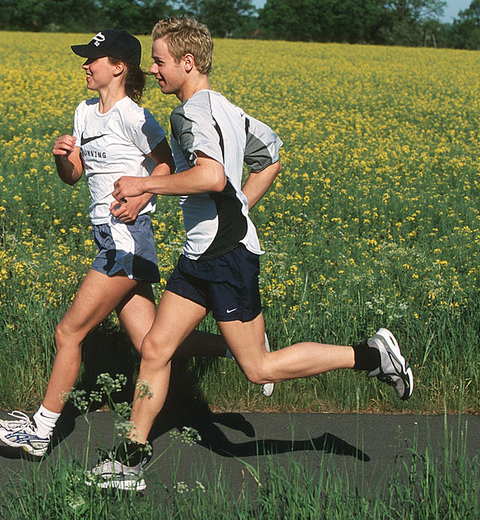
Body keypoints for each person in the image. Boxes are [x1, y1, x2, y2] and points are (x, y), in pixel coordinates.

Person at [86, 18, 414, 491]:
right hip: (203, 252)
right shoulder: (226, 108)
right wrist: (239, 205)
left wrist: (145, 184)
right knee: (156, 347)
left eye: (159, 61)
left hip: (225, 256)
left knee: (258, 366)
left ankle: (370, 355)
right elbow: (272, 154)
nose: (152, 70)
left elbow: (212, 178)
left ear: (187, 62)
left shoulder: (190, 114)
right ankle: (130, 458)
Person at [0, 30, 273, 458]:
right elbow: (76, 176)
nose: (85, 65)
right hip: (106, 235)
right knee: (151, 346)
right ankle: (243, 350)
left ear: (118, 67)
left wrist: (142, 194)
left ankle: (41, 430)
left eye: (94, 59)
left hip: (126, 242)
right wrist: (63, 159)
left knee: (69, 332)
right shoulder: (84, 112)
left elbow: (167, 165)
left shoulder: (136, 117)